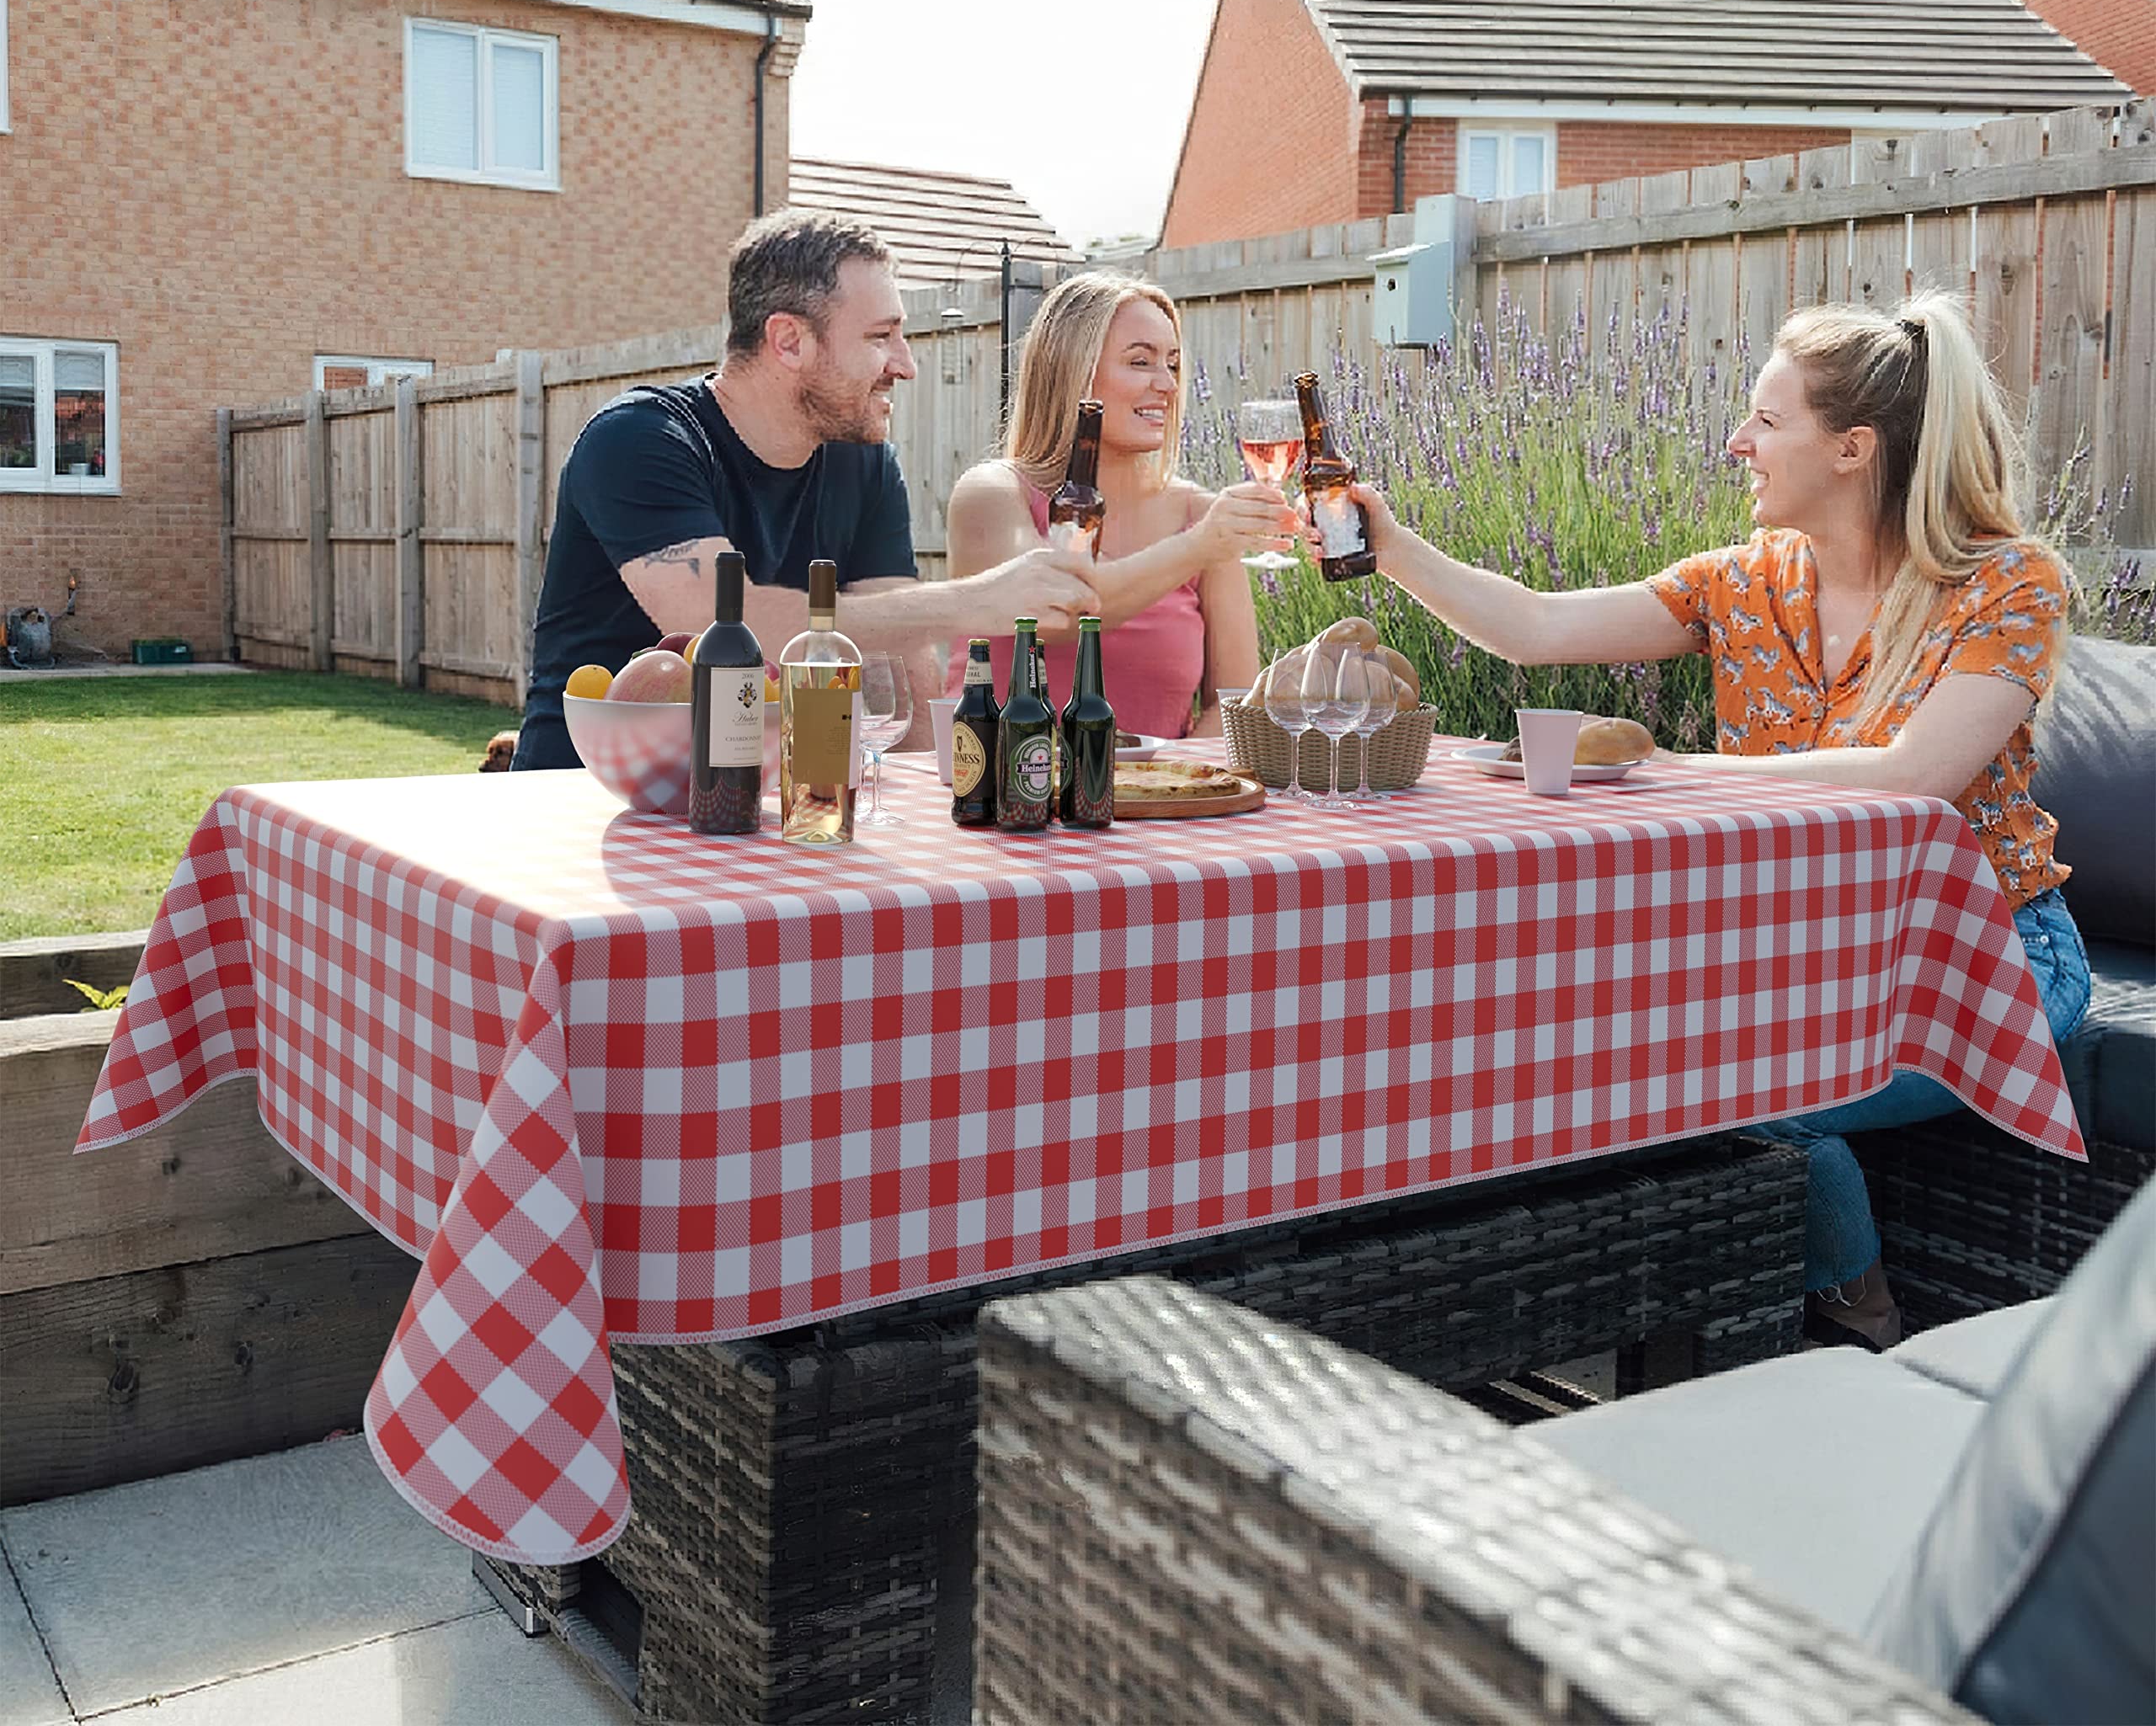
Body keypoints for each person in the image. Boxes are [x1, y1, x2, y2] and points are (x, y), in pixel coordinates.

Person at [1337, 289, 2089, 1349]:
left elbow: (1917, 773)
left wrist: (1671, 765)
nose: (1737, 442)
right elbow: (1533, 628)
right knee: (1597, 1057)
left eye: (1767, 421)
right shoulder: (1747, 584)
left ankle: (1860, 1314)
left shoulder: (2005, 586)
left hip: (1988, 967)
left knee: (1730, 1096)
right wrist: (1390, 543)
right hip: (1816, 959)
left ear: (1851, 449)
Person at [513, 210, 1097, 770]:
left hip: (754, 810)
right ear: (789, 341)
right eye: (880, 336)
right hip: (583, 805)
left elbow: (900, 649)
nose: (906, 363)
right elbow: (729, 626)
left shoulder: (862, 463)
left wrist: (921, 803)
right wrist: (975, 600)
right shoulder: (640, 439)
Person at [943, 271, 1298, 738]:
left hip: (1154, 801)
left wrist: (1163, 785)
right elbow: (1051, 614)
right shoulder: (992, 495)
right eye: (1140, 362)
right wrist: (1199, 546)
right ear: (1074, 373)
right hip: (1004, 796)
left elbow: (1234, 706)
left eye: (1172, 364)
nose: (1168, 385)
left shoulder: (1198, 517)